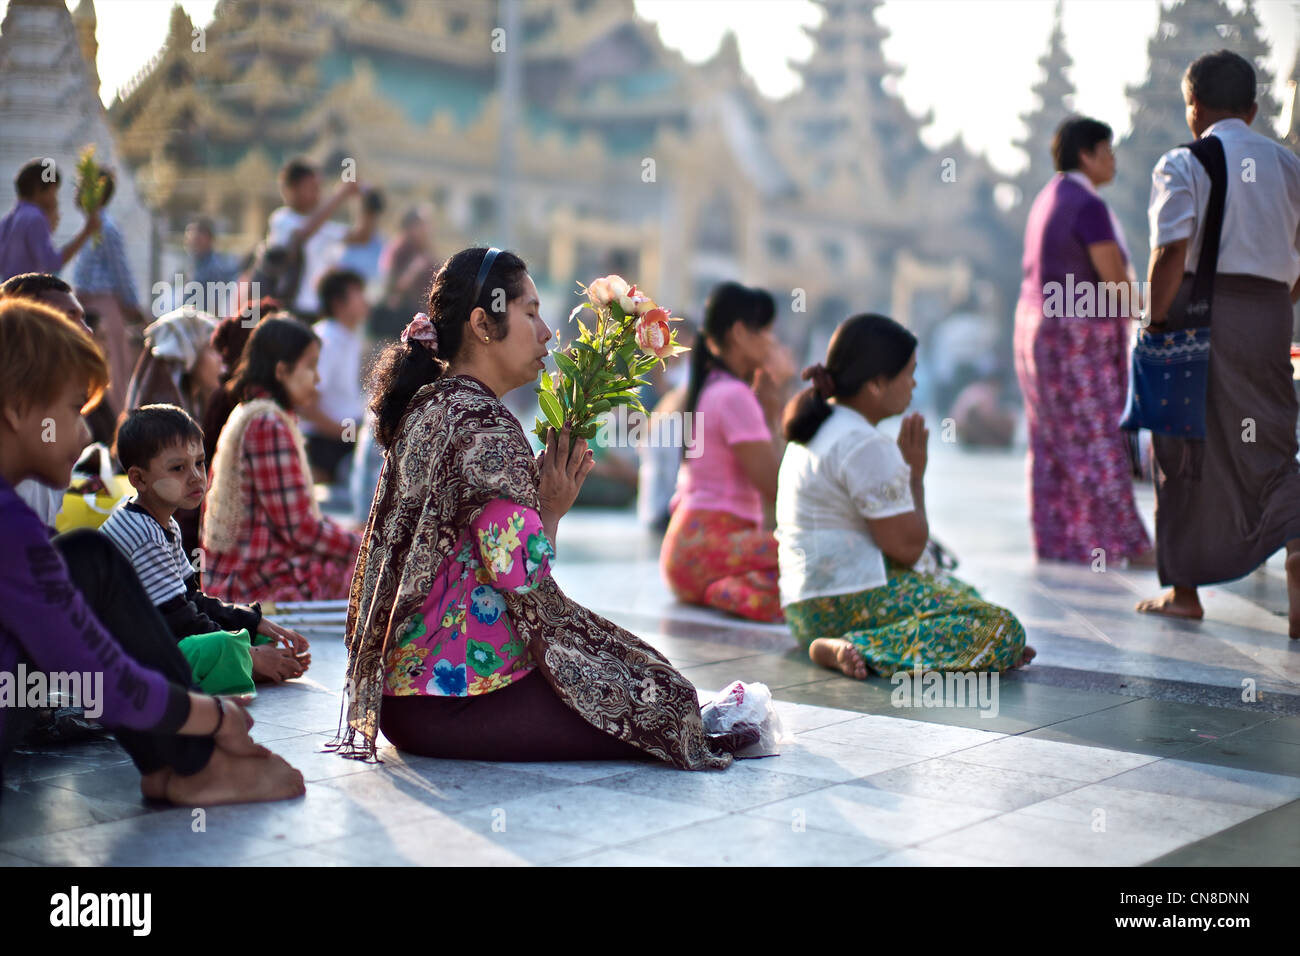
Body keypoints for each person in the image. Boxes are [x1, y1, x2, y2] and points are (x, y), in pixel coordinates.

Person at [334, 246, 737, 768]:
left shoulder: (429, 404)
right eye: (529, 312)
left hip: (406, 695)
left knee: (635, 675)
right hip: (456, 701)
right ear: (482, 324)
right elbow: (520, 574)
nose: (546, 332)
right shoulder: (485, 425)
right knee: (665, 704)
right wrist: (551, 508)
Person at [0, 297, 304, 803]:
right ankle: (193, 765)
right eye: (75, 410)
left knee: (88, 557)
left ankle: (178, 767)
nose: (81, 435)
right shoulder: (10, 526)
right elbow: (99, 672)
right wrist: (215, 716)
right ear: (16, 411)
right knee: (94, 561)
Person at [1135, 51, 1300, 636]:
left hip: (1201, 319)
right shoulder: (1288, 165)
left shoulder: (1184, 162)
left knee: (1183, 446)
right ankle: (1296, 542)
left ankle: (1186, 591)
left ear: (1192, 107)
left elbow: (1170, 252)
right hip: (1271, 317)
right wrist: (1280, 300)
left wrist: (1155, 323)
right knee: (1273, 439)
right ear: (1254, 109)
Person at [777, 314, 1033, 678]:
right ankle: (858, 647)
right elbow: (909, 549)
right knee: (1001, 628)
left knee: (967, 593)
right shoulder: (862, 442)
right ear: (878, 384)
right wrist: (915, 476)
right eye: (908, 373)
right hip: (847, 604)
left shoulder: (821, 426)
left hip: (804, 612)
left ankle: (846, 641)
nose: (914, 384)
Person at [1014, 116, 1154, 567]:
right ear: (1086, 155)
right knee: (1098, 438)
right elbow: (1113, 280)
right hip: (1077, 335)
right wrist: (1152, 315)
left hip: (1037, 328)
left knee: (1052, 441)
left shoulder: (1046, 199)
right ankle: (1129, 544)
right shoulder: (1088, 205)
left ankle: (1063, 541)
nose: (1113, 160)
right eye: (1107, 150)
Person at [101, 403, 311, 694]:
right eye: (178, 468)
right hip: (121, 662)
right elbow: (179, 621)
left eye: (199, 463)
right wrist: (250, 655)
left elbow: (191, 598)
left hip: (156, 635)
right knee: (223, 645)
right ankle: (250, 666)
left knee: (252, 636)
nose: (196, 477)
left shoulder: (166, 526)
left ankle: (249, 664)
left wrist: (252, 621)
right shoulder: (143, 532)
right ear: (139, 478)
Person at [200, 317, 361, 604]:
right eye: (311, 366)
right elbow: (300, 528)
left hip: (245, 573)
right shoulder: (267, 425)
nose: (318, 379)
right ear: (282, 371)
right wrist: (363, 545)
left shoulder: (252, 412)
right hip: (253, 583)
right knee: (368, 572)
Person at [660, 282, 794, 622]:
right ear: (739, 333)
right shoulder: (735, 395)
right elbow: (775, 489)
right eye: (765, 331)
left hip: (683, 556)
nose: (772, 342)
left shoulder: (711, 387)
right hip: (714, 545)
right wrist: (776, 416)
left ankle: (729, 588)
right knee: (816, 551)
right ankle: (732, 588)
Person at [265, 157, 377, 321]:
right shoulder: (282, 220)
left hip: (318, 309)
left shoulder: (322, 226)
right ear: (291, 189)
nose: (318, 194)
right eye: (312, 187)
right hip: (289, 308)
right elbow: (301, 236)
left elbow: (361, 237)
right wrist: (340, 196)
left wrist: (369, 206)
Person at [73, 168, 144, 418]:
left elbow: (121, 273)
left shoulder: (107, 228)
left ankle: (114, 429)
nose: (76, 192)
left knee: (112, 373)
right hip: (88, 305)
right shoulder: (93, 227)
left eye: (82, 187)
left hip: (103, 307)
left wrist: (134, 307)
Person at [298, 267, 368, 484]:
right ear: (339, 303)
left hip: (344, 439)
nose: (365, 300)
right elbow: (306, 404)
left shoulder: (349, 337)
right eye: (358, 293)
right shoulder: (326, 340)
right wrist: (347, 434)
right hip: (325, 446)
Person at [0, 157, 99, 282]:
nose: (56, 197)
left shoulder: (8, 219)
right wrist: (86, 231)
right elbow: (52, 263)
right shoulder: (35, 218)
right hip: (28, 295)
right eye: (54, 191)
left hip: (7, 293)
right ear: (38, 189)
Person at [374, 204, 439, 340]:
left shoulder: (424, 250)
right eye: (421, 225)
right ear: (409, 227)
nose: (426, 230)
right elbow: (391, 286)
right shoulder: (399, 250)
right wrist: (413, 271)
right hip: (401, 318)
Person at [184, 216, 239, 288]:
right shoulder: (194, 264)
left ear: (207, 238)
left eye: (196, 239)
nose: (190, 243)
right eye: (187, 239)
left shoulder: (216, 268)